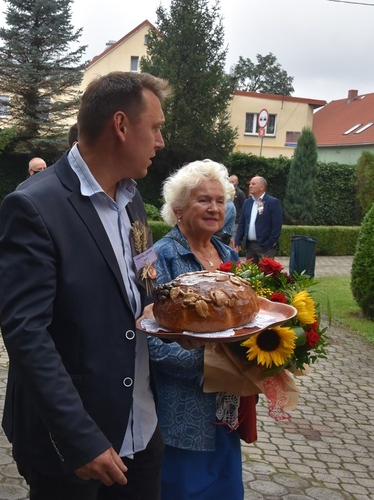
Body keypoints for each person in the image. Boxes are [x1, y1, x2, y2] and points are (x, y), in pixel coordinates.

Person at [0, 71, 169, 499]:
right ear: (122, 125)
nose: (161, 142)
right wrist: (80, 438)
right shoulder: (33, 205)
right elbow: (26, 334)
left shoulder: (133, 200)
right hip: (75, 448)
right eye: (157, 128)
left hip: (142, 431)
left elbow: (144, 282)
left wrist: (178, 321)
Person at [150, 160, 251, 499]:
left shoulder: (228, 256)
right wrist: (219, 367)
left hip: (225, 410)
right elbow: (152, 341)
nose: (214, 207)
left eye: (220, 200)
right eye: (203, 200)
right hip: (182, 415)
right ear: (178, 209)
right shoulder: (161, 257)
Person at [235, 175, 283, 263]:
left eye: (253, 184)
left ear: (262, 187)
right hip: (250, 246)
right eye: (250, 184)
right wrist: (238, 240)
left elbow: (277, 225)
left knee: (265, 274)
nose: (250, 186)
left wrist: (271, 243)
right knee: (250, 274)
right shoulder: (247, 202)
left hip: (266, 246)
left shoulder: (272, 202)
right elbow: (242, 222)